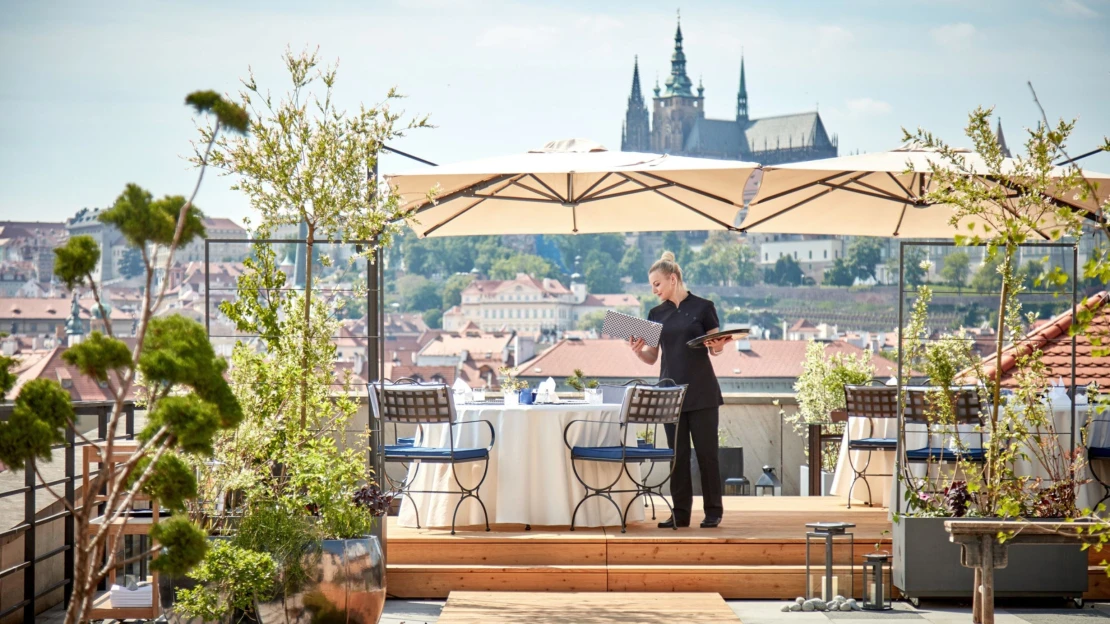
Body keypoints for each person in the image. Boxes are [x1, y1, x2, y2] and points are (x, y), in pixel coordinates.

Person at [629, 250, 731, 529]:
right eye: (652, 286)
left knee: (707, 454)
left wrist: (719, 345)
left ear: (672, 279)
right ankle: (681, 513)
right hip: (670, 396)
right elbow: (652, 357)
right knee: (678, 456)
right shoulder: (655, 314)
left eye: (657, 284)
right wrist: (639, 352)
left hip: (702, 393)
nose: (654, 290)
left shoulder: (704, 307)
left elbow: (716, 348)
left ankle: (713, 511)